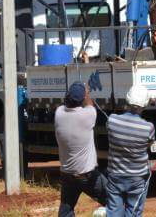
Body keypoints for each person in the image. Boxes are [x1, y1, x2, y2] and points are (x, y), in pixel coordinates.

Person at [54, 81, 106, 216]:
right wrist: (87, 94)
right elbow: (90, 104)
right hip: (87, 175)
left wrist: (83, 93)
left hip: (67, 174)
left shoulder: (58, 114)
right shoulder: (87, 115)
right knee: (114, 200)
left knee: (66, 210)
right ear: (83, 98)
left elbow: (75, 104)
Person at [104, 85, 154, 217]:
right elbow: (148, 145)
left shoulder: (112, 120)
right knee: (133, 213)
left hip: (115, 175)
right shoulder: (148, 128)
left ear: (127, 100)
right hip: (137, 177)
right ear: (145, 104)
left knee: (113, 212)